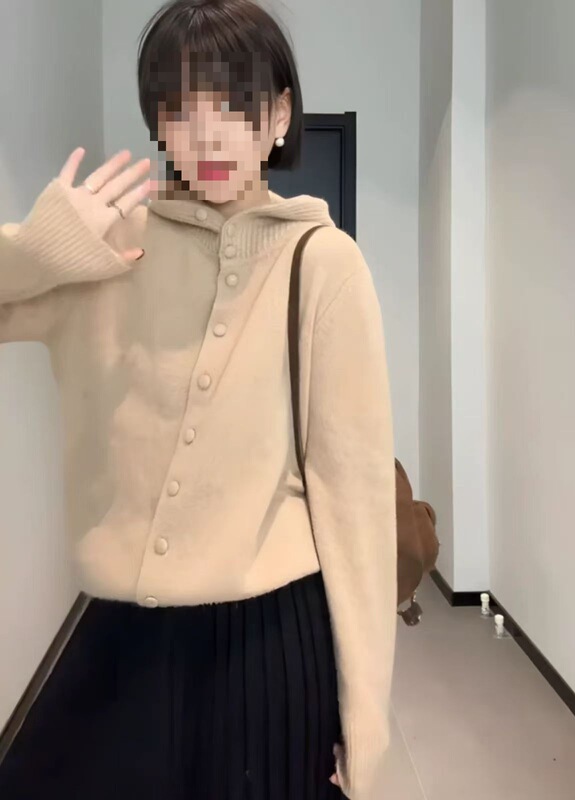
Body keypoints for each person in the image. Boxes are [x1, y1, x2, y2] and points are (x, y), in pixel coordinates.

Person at [0, 1, 397, 798]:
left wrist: (366, 718)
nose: (208, 135)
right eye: (181, 108)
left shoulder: (323, 263)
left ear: (278, 117)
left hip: (273, 640)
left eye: (235, 105)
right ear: (159, 123)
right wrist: (40, 251)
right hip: (121, 637)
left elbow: (354, 502)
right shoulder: (110, 245)